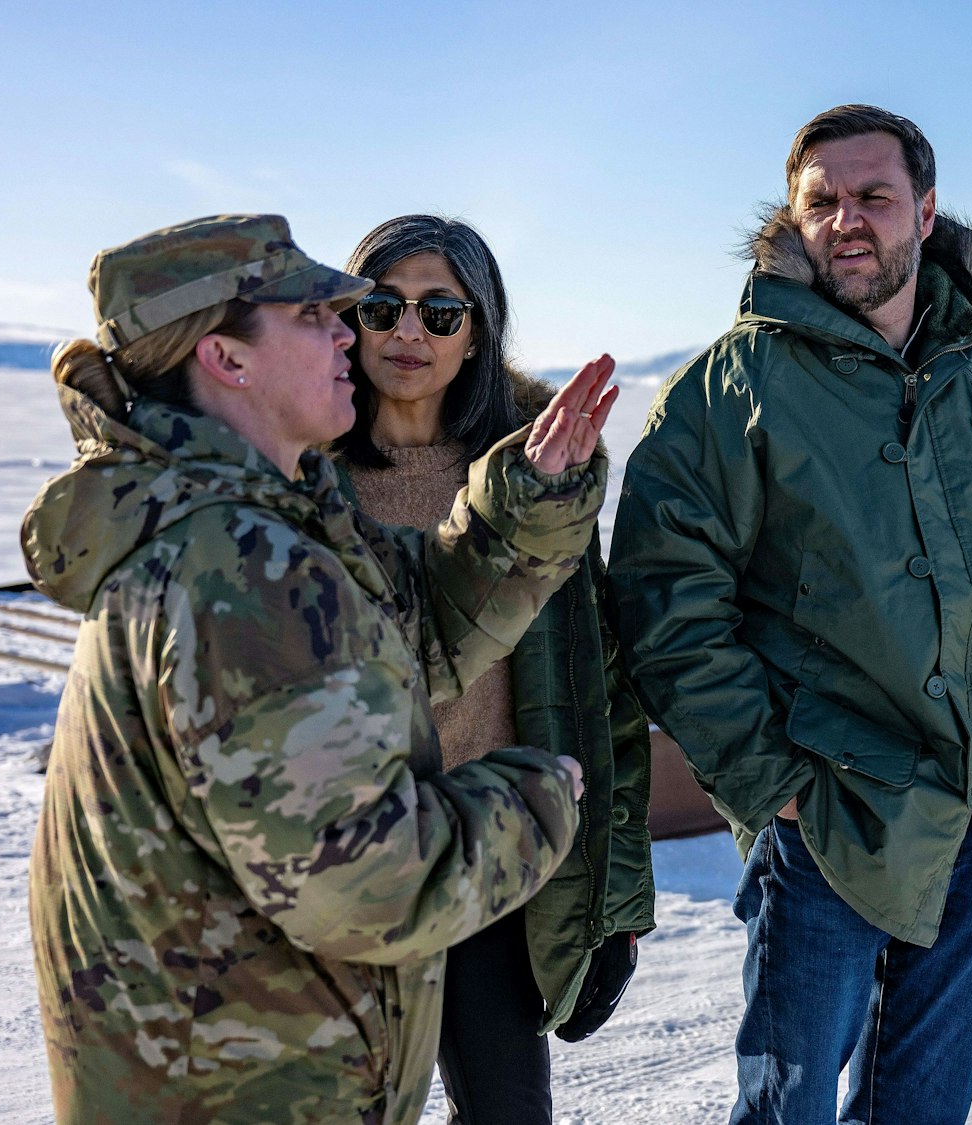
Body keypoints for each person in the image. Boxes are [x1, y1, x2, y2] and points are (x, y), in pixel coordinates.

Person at [21, 213, 620, 1124]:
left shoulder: (260, 522)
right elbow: (366, 885)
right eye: (319, 317)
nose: (356, 333)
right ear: (228, 360)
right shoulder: (236, 566)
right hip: (239, 1083)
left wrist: (521, 506)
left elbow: (411, 631)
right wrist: (534, 799)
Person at [609, 104, 972, 1125]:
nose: (846, 220)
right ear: (791, 220)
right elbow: (667, 602)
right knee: (787, 1111)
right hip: (829, 812)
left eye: (872, 197)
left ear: (924, 213)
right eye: (821, 201)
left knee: (921, 1109)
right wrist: (771, 780)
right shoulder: (727, 388)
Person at [333, 214, 655, 1125]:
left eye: (440, 312)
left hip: (489, 851)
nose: (406, 333)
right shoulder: (297, 471)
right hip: (340, 862)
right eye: (382, 306)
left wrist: (617, 895)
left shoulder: (534, 477)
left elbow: (602, 692)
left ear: (478, 330)